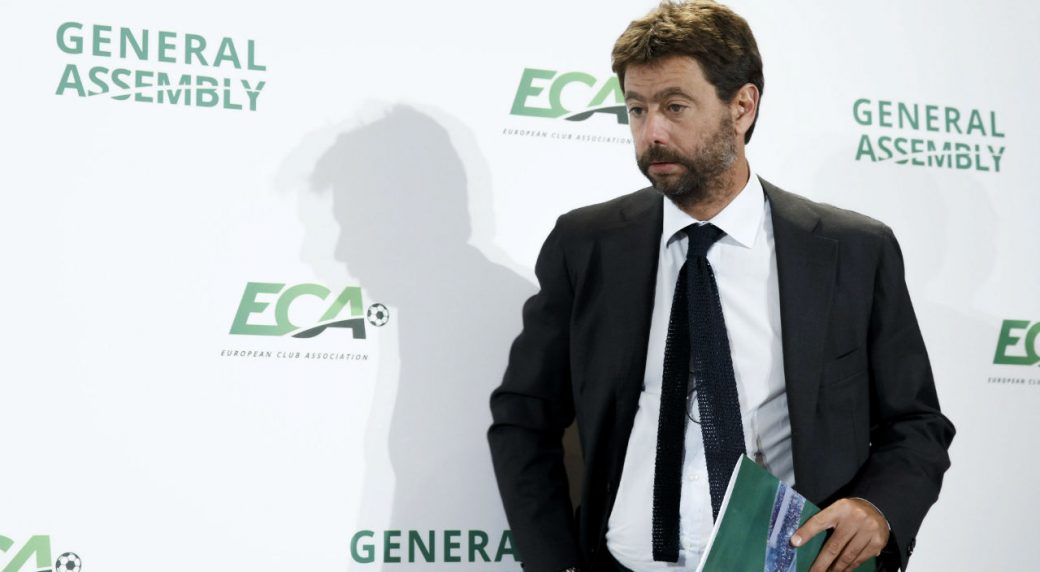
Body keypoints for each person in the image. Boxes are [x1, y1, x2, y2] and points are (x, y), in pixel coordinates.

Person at [487, 2, 955, 572]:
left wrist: (878, 508)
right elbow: (524, 418)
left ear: (742, 105)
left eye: (674, 106)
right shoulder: (586, 244)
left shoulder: (854, 251)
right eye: (636, 109)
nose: (652, 133)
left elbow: (916, 424)